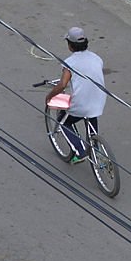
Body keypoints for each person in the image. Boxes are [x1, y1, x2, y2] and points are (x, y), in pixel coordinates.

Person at [45, 26, 107, 165]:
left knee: (63, 121)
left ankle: (80, 152)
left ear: (70, 45)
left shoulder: (70, 62)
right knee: (91, 114)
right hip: (99, 99)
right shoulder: (96, 58)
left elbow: (62, 85)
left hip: (81, 103)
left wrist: (50, 96)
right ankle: (94, 145)